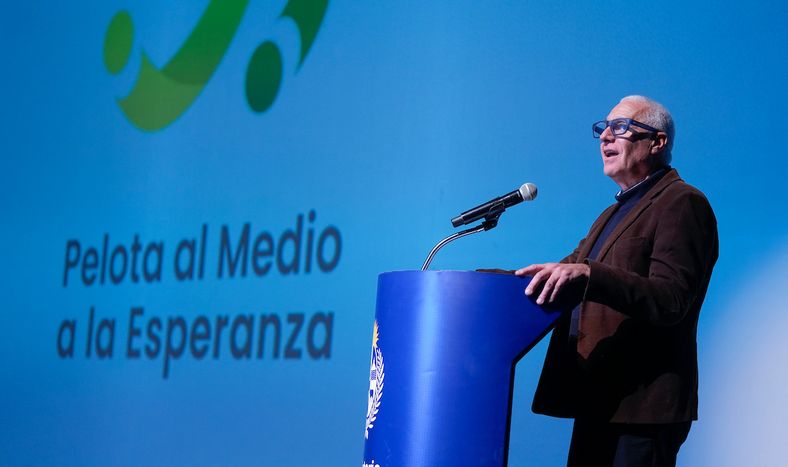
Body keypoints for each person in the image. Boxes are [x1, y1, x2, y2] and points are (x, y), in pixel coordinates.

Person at [515, 96, 718, 467]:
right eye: (603, 129)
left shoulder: (682, 202)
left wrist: (591, 273)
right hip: (597, 399)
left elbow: (672, 298)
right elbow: (561, 274)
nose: (605, 137)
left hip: (642, 407)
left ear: (657, 142)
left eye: (620, 127)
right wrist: (477, 283)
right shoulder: (612, 213)